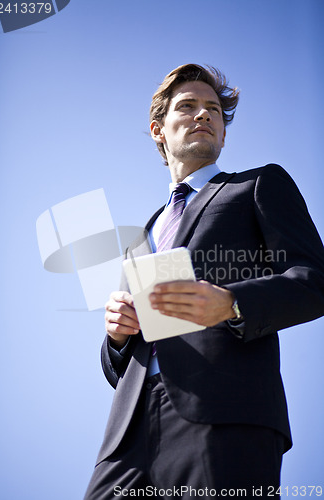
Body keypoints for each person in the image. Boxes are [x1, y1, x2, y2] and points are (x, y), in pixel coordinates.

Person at [84, 64, 324, 499]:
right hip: (127, 438)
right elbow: (118, 366)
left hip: (227, 415)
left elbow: (313, 280)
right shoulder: (141, 237)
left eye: (213, 109)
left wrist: (233, 303)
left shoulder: (257, 185)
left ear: (224, 134)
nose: (204, 115)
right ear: (159, 130)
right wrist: (116, 337)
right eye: (189, 106)